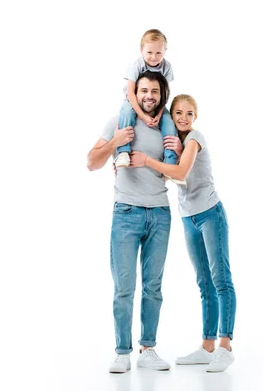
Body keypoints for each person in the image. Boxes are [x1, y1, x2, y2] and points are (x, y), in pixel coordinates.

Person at [129, 94, 237, 372]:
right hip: (188, 217)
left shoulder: (194, 138)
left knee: (221, 279)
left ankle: (225, 346)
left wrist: (146, 161)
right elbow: (170, 173)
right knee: (204, 283)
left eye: (189, 113)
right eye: (178, 113)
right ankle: (207, 346)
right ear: (171, 115)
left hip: (211, 214)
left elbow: (178, 172)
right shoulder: (175, 142)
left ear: (195, 117)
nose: (184, 118)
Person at [87, 70, 173, 373]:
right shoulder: (119, 122)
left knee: (154, 287)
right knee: (124, 287)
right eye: (144, 91)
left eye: (155, 92)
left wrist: (165, 155)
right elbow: (91, 162)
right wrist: (115, 143)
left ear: (162, 95)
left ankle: (148, 349)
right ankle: (122, 352)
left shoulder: (166, 126)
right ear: (135, 94)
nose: (149, 96)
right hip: (126, 213)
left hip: (160, 214)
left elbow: (176, 169)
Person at [114, 29, 182, 184]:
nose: (154, 57)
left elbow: (164, 93)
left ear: (165, 51)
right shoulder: (136, 65)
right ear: (141, 50)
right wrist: (144, 116)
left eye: (159, 53)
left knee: (169, 124)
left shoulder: (167, 67)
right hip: (133, 101)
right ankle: (123, 151)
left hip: (156, 102)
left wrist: (158, 114)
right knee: (125, 112)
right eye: (149, 52)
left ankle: (170, 162)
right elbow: (131, 93)